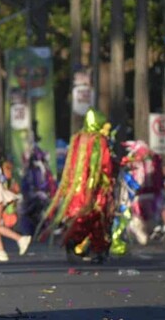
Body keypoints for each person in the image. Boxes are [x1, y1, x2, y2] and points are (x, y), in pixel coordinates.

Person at [39, 109, 114, 262]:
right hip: (94, 188)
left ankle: (91, 247)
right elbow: (104, 166)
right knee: (95, 216)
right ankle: (84, 244)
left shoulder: (77, 139)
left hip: (76, 187)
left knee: (83, 216)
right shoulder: (99, 140)